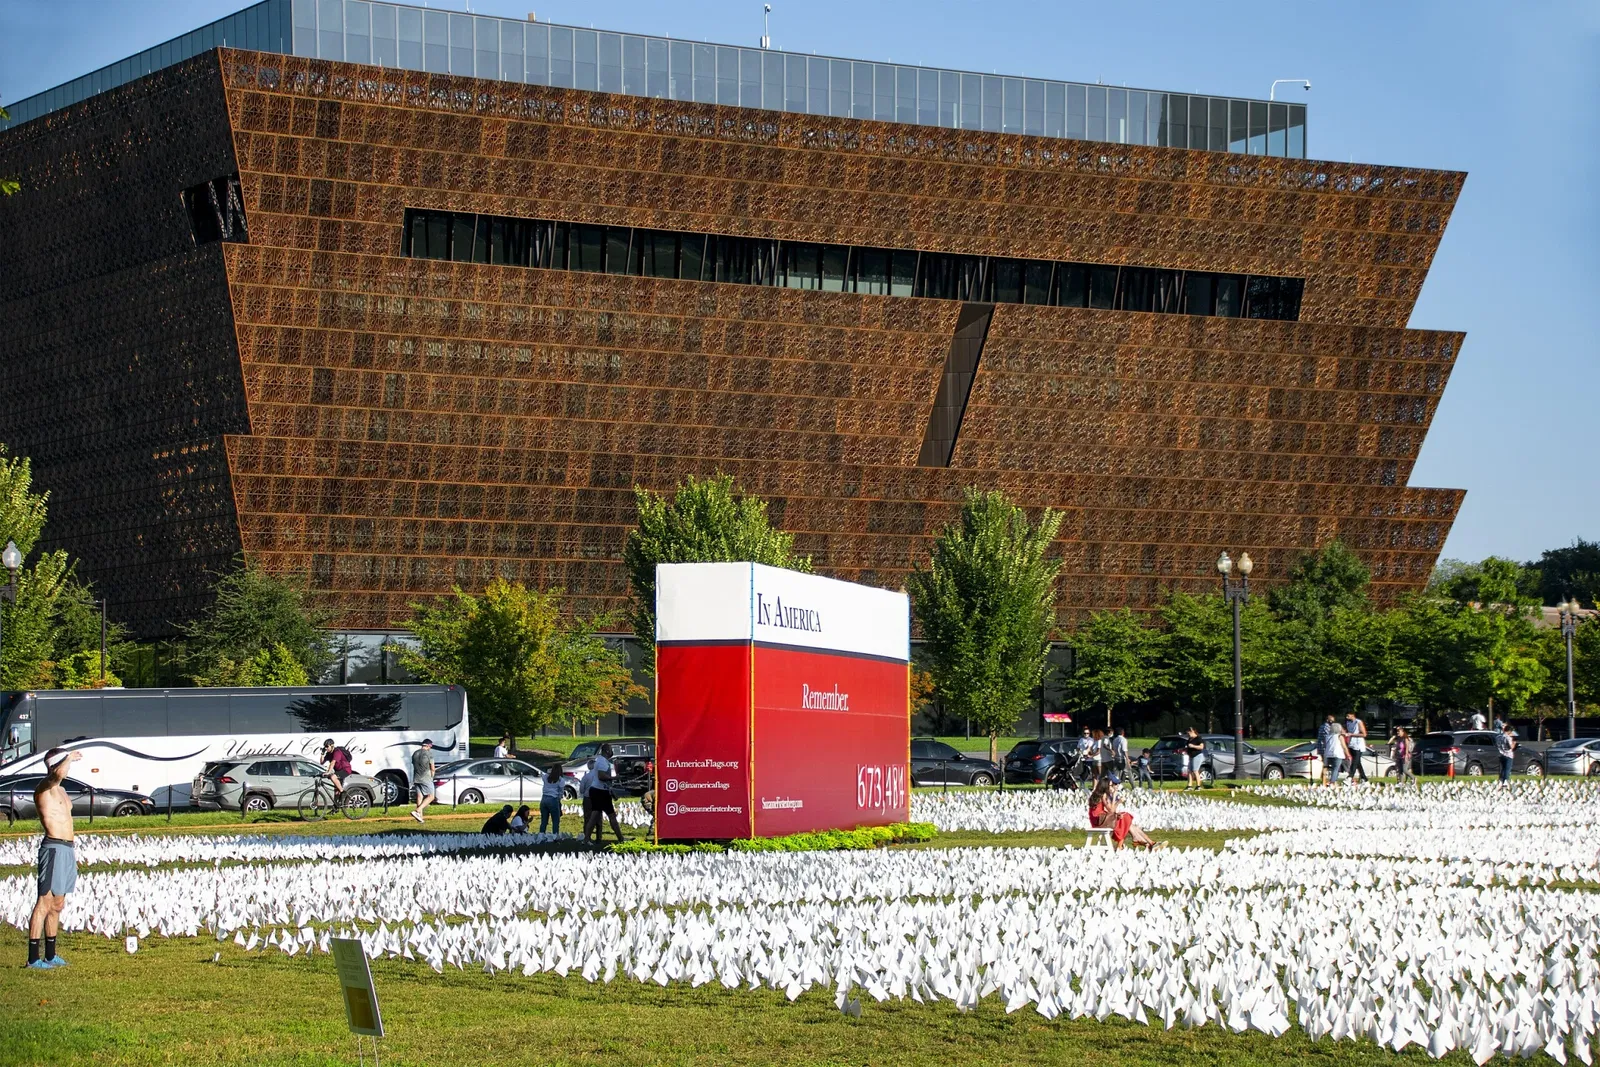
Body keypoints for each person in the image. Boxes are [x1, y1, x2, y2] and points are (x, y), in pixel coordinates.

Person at [28, 748, 82, 969]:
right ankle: (33, 958)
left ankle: (50, 955)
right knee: (44, 902)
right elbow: (55, 775)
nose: (68, 769)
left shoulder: (61, 791)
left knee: (58, 904)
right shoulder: (45, 788)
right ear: (55, 765)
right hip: (53, 848)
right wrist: (68, 757)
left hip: (68, 849)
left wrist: (67, 759)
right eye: (66, 765)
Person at [1087, 776, 1160, 850]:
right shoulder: (1104, 795)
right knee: (1125, 817)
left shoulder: (1097, 794)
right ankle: (1143, 842)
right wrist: (1116, 798)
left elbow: (1109, 811)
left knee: (1126, 820)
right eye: (1111, 785)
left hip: (1098, 820)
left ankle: (1149, 842)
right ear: (1105, 786)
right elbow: (1112, 811)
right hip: (1100, 821)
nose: (1112, 787)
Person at [584, 743, 624, 843]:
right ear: (607, 751)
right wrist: (614, 778)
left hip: (598, 790)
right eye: (610, 750)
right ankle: (621, 839)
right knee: (611, 816)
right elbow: (601, 776)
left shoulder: (601, 760)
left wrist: (611, 790)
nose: (612, 752)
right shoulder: (602, 761)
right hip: (600, 792)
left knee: (595, 816)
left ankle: (586, 839)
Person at [410, 739, 436, 824]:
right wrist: (432, 777)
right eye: (431, 746)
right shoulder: (429, 754)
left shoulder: (415, 753)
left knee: (419, 797)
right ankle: (417, 811)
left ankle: (420, 818)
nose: (430, 748)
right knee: (431, 796)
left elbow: (414, 765)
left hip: (416, 777)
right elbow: (432, 768)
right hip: (426, 778)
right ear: (428, 745)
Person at [539, 763, 565, 834]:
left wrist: (549, 771)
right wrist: (559, 801)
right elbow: (561, 793)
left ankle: (541, 835)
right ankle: (555, 835)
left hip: (544, 798)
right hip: (553, 799)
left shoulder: (546, 777)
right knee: (555, 821)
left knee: (544, 821)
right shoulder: (561, 780)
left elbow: (543, 775)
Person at [1343, 712, 1369, 783]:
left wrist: (1352, 734)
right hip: (1351, 744)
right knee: (1357, 762)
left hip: (1358, 745)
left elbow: (1364, 734)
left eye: (1348, 715)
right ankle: (1364, 779)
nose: (1347, 717)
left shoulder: (1358, 722)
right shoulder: (1348, 723)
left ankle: (1350, 777)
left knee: (1355, 761)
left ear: (1352, 715)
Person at [1323, 720, 1350, 784]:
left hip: (1328, 754)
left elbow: (1325, 745)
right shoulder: (1340, 736)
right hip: (1337, 754)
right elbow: (1344, 746)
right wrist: (1348, 755)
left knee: (1328, 768)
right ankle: (1332, 782)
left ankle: (1328, 781)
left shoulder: (1327, 736)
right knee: (1336, 768)